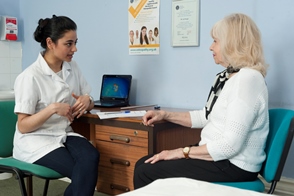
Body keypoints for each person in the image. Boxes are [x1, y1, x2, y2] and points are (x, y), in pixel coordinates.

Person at [133, 13, 269, 189]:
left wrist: (180, 152)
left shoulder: (247, 80)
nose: (211, 47)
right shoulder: (230, 77)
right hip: (221, 158)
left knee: (146, 170)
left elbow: (229, 146)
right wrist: (164, 115)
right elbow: (207, 116)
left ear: (232, 43)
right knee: (144, 163)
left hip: (233, 164)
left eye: (215, 41)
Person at [13, 15, 99, 196]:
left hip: (63, 134)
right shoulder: (30, 77)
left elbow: (88, 99)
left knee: (91, 157)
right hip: (35, 140)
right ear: (50, 43)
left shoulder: (72, 67)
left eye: (75, 42)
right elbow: (23, 126)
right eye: (68, 44)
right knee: (79, 169)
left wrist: (87, 99)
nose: (74, 49)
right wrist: (52, 109)